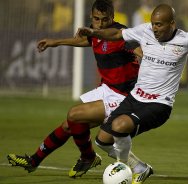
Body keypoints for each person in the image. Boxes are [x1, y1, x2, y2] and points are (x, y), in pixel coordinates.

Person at [76, 3, 188, 183]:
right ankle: (140, 168)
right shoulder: (145, 31)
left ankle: (122, 170)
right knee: (102, 140)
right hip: (135, 97)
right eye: (153, 24)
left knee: (119, 126)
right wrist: (93, 33)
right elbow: (117, 34)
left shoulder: (187, 39)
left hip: (159, 104)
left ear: (171, 24)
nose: (154, 28)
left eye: (159, 24)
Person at [7, 0, 150, 179]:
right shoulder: (94, 31)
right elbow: (86, 40)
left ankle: (88, 157)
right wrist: (56, 42)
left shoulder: (121, 34)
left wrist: (150, 59)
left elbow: (141, 51)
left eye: (105, 20)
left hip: (124, 95)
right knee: (70, 125)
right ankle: (34, 161)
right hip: (107, 89)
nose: (100, 23)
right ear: (91, 17)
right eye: (97, 19)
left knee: (74, 115)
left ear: (112, 18)